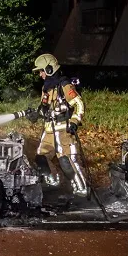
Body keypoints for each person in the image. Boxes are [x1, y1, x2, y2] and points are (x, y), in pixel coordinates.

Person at [25, 54, 88, 196]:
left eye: (41, 71)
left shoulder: (64, 85)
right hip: (49, 130)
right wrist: (36, 114)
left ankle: (82, 189)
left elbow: (78, 104)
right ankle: (53, 183)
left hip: (64, 129)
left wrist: (74, 121)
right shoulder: (46, 88)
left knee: (66, 160)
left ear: (49, 69)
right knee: (41, 157)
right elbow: (45, 108)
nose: (40, 74)